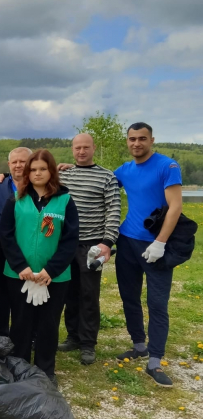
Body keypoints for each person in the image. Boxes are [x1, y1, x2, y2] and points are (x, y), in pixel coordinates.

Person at [0, 149, 79, 386]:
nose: (37, 173)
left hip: (54, 277)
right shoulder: (16, 200)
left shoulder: (65, 200)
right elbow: (6, 235)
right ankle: (19, 366)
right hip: (19, 275)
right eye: (32, 169)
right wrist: (20, 266)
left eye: (42, 169)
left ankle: (46, 370)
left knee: (48, 323)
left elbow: (70, 239)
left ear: (51, 171)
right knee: (21, 322)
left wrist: (51, 271)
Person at [113, 123, 182, 387]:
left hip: (157, 245)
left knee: (157, 303)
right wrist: (66, 168)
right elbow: (98, 182)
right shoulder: (124, 170)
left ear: (152, 140)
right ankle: (139, 345)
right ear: (127, 141)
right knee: (129, 297)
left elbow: (175, 206)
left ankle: (155, 361)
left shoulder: (167, 166)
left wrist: (160, 242)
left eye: (142, 139)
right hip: (128, 241)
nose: (137, 143)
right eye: (132, 139)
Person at [54, 134, 121, 365]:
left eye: (86, 147)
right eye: (77, 147)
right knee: (68, 293)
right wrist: (2, 176)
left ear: (94, 148)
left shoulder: (107, 177)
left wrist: (107, 243)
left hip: (91, 245)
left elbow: (113, 211)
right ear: (72, 149)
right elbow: (36, 178)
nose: (81, 151)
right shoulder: (64, 175)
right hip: (65, 244)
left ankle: (88, 343)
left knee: (89, 295)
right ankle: (72, 336)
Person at [0, 147, 32, 336]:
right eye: (15, 162)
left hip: (29, 248)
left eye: (23, 161)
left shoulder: (40, 186)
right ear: (9, 165)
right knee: (0, 291)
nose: (19, 165)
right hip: (1, 248)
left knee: (26, 291)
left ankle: (27, 334)